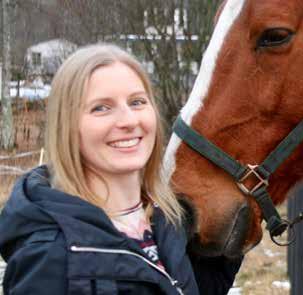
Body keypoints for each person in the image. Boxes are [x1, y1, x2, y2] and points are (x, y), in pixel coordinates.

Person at [0, 44, 242, 294]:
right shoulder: (50, 258)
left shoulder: (167, 219)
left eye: (137, 102)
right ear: (68, 126)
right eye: (101, 108)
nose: (128, 121)